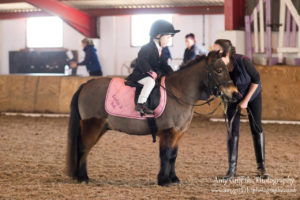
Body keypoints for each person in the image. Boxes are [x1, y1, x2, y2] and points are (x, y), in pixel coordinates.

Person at [212, 39, 270, 180]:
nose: (213, 53)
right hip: (233, 97)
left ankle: (261, 168)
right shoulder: (217, 66)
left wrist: (245, 101)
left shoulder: (243, 61)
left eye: (216, 50)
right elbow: (216, 85)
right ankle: (231, 171)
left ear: (225, 52)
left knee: (256, 128)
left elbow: (256, 80)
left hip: (252, 94)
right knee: (232, 131)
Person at [126, 20, 180, 115]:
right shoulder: (146, 48)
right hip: (141, 75)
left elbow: (164, 64)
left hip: (152, 75)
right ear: (158, 36)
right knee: (150, 82)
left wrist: (173, 74)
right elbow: (142, 61)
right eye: (167, 37)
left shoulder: (161, 50)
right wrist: (150, 71)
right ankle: (141, 104)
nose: (168, 40)